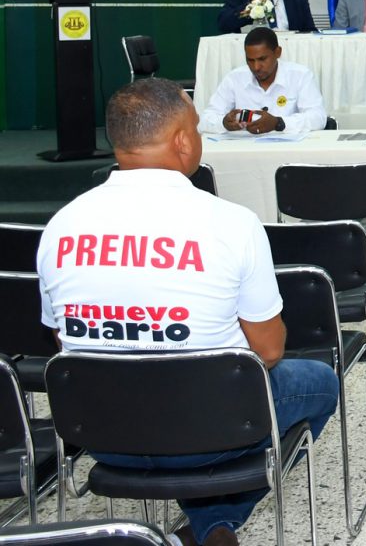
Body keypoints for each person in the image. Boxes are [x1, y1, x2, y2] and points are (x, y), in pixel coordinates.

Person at [36, 78, 338, 546]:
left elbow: (64, 342)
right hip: (213, 429)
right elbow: (269, 351)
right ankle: (215, 521)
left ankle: (207, 527)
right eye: (195, 128)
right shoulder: (232, 223)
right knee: (320, 382)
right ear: (181, 141)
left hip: (105, 434)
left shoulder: (60, 226)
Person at [199, 28, 327, 135]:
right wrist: (223, 123)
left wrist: (279, 123)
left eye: (262, 59)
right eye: (250, 60)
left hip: (287, 150)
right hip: (244, 150)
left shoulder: (300, 75)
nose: (256, 67)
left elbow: (318, 117)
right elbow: (204, 120)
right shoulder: (234, 78)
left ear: (278, 52)